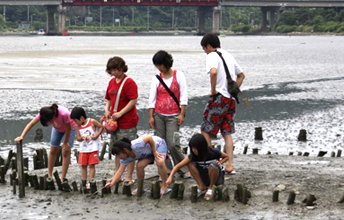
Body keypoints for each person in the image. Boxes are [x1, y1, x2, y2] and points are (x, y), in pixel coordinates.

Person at [200, 33, 245, 175]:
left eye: (204, 49)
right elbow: (241, 75)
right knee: (227, 132)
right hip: (230, 99)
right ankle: (229, 165)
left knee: (206, 130)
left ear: (208, 46)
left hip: (219, 98)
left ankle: (210, 161)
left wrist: (213, 90)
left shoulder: (212, 55)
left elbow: (213, 72)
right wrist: (234, 91)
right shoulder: (228, 55)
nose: (205, 52)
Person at [148, 50, 191, 180]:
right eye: (156, 65)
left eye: (160, 64)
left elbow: (184, 96)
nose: (158, 67)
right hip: (159, 115)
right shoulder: (156, 78)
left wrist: (182, 114)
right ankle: (166, 171)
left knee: (173, 144)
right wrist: (151, 116)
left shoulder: (179, 75)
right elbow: (152, 98)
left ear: (166, 63)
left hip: (174, 115)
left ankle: (183, 168)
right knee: (160, 145)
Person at [15, 103, 77, 180]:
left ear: (53, 116)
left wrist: (65, 142)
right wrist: (22, 136)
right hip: (57, 128)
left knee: (65, 152)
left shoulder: (64, 113)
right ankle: (49, 175)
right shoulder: (44, 113)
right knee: (52, 151)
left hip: (70, 129)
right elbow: (31, 124)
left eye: (50, 120)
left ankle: (62, 178)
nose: (50, 122)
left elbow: (69, 128)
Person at [104, 56, 139, 185]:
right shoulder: (112, 82)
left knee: (128, 149)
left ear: (121, 68)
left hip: (127, 121)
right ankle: (117, 174)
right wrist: (107, 109)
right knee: (117, 148)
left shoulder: (129, 82)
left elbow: (133, 100)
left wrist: (121, 113)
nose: (113, 73)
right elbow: (108, 98)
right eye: (111, 71)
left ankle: (129, 176)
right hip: (114, 122)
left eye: (115, 70)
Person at [166, 134, 229, 201]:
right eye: (192, 148)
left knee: (213, 164)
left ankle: (211, 188)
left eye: (196, 148)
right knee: (189, 163)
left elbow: (227, 156)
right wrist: (170, 177)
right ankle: (202, 186)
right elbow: (178, 166)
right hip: (205, 177)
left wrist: (220, 162)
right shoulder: (193, 156)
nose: (194, 150)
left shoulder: (213, 152)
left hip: (217, 179)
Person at [105, 135, 170, 196]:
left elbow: (149, 138)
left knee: (160, 162)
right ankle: (141, 187)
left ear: (125, 150)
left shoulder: (137, 144)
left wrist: (155, 151)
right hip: (147, 153)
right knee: (139, 166)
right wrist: (112, 183)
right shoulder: (124, 159)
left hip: (158, 145)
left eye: (118, 154)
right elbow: (119, 171)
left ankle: (165, 185)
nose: (118, 157)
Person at [70, 106, 104, 188]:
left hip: (93, 148)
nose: (75, 122)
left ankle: (90, 181)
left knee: (92, 165)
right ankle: (84, 182)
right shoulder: (78, 127)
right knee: (83, 165)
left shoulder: (91, 121)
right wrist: (82, 138)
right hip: (83, 149)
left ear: (81, 118)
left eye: (75, 120)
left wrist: (97, 135)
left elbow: (101, 127)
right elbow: (78, 138)